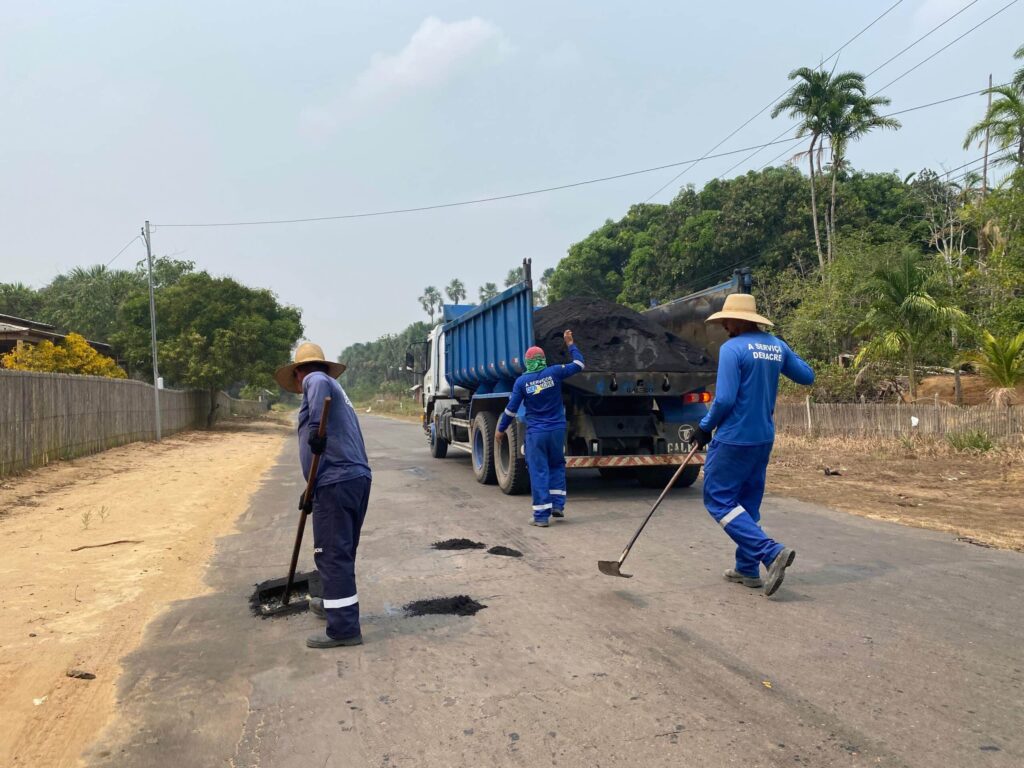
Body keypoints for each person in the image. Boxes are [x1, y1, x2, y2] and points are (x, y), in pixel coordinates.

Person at [692, 294, 814, 597]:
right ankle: (747, 568)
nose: (724, 326)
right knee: (747, 503)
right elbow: (807, 376)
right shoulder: (776, 345)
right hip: (763, 439)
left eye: (726, 320)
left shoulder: (732, 348)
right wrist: (781, 348)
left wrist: (705, 428)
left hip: (733, 438)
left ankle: (770, 553)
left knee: (718, 501)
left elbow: (724, 399)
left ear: (738, 320)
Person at [274, 342, 372, 648]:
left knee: (331, 554)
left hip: (337, 480)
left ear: (299, 372)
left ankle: (343, 629)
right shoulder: (335, 387)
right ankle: (334, 604)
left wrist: (316, 431)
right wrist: (311, 489)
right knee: (341, 551)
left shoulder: (315, 379)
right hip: (351, 477)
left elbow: (320, 429)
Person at [497, 330, 584, 527]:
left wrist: (500, 429)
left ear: (528, 362)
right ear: (543, 359)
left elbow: (511, 410)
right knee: (556, 465)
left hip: (536, 433)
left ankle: (541, 517)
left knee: (538, 471)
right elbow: (579, 364)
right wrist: (571, 344)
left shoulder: (521, 382)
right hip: (556, 431)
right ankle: (558, 505)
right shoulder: (554, 372)